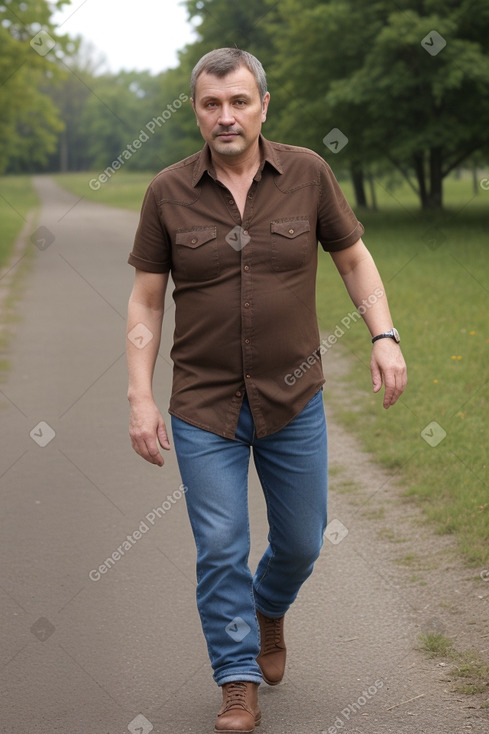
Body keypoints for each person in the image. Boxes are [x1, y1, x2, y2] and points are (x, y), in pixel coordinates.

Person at [126, 48, 407, 734]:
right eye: (211, 104)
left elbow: (352, 258)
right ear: (195, 109)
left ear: (263, 105)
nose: (225, 116)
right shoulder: (167, 191)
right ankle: (236, 681)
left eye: (238, 102)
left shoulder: (307, 173)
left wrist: (384, 335)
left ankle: (268, 607)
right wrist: (138, 395)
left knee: (302, 541)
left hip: (293, 400)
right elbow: (145, 303)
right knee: (220, 545)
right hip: (203, 405)